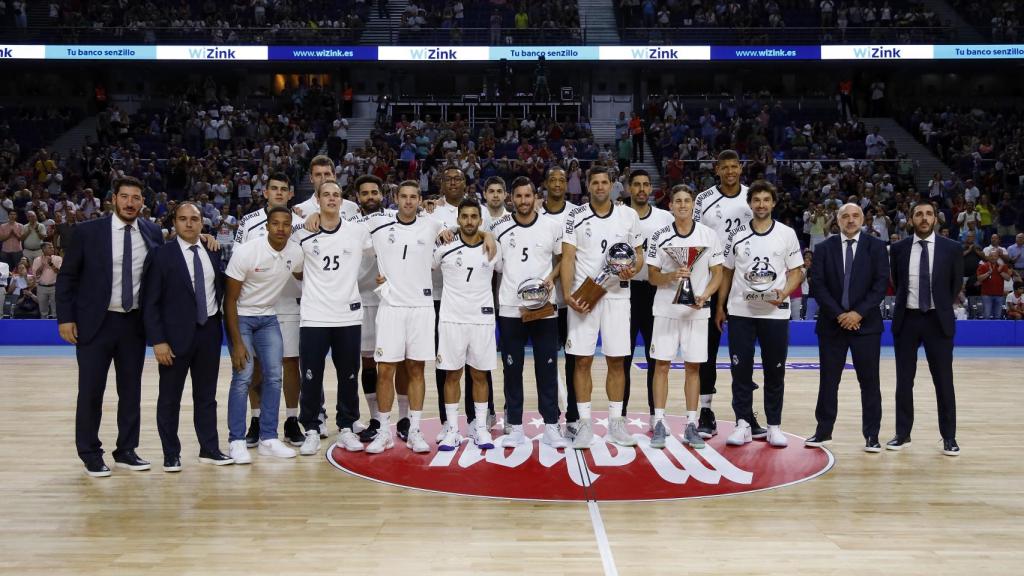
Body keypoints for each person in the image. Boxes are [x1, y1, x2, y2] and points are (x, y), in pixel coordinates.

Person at [56, 176, 165, 477]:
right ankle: (90, 452)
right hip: (96, 323)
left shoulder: (153, 232)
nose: (131, 203)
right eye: (125, 197)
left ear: (143, 202)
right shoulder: (87, 232)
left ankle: (126, 449)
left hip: (133, 323)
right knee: (91, 391)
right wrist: (65, 318)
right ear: (114, 199)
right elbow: (67, 277)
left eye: (136, 198)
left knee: (131, 391)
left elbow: (163, 270)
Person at [142, 202, 234, 472]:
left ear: (202, 223)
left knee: (206, 396)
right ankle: (171, 454)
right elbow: (151, 302)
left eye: (194, 219)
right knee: (170, 398)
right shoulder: (161, 255)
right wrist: (158, 340)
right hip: (173, 339)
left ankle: (209, 448)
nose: (189, 224)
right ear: (175, 222)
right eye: (183, 219)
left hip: (208, 334)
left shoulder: (213, 251)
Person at [562, 166, 645, 450]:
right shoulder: (575, 216)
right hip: (585, 296)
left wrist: (632, 270)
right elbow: (568, 257)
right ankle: (584, 425)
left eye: (604, 182)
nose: (600, 187)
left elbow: (639, 255)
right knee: (582, 360)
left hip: (618, 296)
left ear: (612, 185)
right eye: (594, 182)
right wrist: (567, 294)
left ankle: (615, 423)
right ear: (588, 186)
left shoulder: (628, 215)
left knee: (617, 360)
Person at [716, 180, 803, 448]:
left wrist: (784, 293)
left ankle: (774, 426)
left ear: (773, 203)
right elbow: (727, 272)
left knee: (774, 371)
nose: (761, 204)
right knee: (740, 370)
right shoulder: (737, 235)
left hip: (774, 313)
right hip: (741, 312)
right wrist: (720, 306)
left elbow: (796, 272)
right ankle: (743, 424)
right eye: (757, 200)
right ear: (750, 203)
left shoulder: (786, 233)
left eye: (766, 200)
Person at [363, 181, 448, 454]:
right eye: (404, 197)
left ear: (420, 200)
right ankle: (384, 432)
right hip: (391, 309)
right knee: (385, 370)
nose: (409, 201)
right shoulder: (378, 226)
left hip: (421, 308)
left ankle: (414, 430)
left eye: (413, 197)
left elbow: (462, 228)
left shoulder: (432, 224)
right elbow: (346, 228)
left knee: (416, 370)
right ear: (395, 199)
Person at [291, 181, 368, 456]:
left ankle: (346, 426)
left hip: (347, 315)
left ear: (342, 200)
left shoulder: (357, 231)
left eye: (336, 195)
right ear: (318, 200)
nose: (332, 199)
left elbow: (389, 224)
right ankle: (311, 427)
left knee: (349, 375)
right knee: (311, 375)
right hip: (314, 315)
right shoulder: (303, 233)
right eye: (327, 195)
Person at [805, 203, 890, 452]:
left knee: (870, 383)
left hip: (866, 326)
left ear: (863, 219)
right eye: (845, 216)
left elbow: (880, 284)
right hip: (832, 325)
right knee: (829, 382)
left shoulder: (876, 247)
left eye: (855, 216)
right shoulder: (822, 248)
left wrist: (857, 313)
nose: (850, 220)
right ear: (837, 220)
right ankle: (823, 432)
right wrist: (841, 314)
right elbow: (818, 286)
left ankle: (872, 435)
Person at [645, 184, 724, 449]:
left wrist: (705, 296)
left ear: (693, 205)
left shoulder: (708, 235)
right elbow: (652, 276)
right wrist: (671, 276)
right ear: (670, 206)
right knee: (662, 366)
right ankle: (659, 422)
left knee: (693, 368)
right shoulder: (660, 236)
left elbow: (718, 274)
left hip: (696, 312)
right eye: (677, 200)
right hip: (666, 309)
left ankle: (691, 424)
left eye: (686, 200)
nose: (682, 205)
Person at [224, 206, 304, 463]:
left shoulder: (295, 252)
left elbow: (307, 275)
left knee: (273, 376)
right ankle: (236, 440)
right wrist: (235, 342)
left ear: (291, 227)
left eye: (286, 224)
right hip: (243, 316)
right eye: (275, 223)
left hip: (268, 317)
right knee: (243, 375)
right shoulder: (247, 252)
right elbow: (230, 301)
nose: (281, 228)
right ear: (267, 226)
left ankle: (269, 438)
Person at [491, 177, 567, 448]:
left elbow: (562, 259)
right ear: (512, 199)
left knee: (547, 368)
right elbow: (495, 263)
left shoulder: (551, 226)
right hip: (511, 308)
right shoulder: (499, 227)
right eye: (519, 196)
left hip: (545, 308)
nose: (524, 201)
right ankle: (515, 426)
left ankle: (551, 425)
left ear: (536, 197)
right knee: (513, 370)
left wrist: (551, 278)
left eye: (528, 196)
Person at [693, 149, 758, 440]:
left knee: (743, 354)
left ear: (740, 168)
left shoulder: (753, 197)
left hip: (745, 283)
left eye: (735, 166)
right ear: (717, 169)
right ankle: (706, 410)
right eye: (725, 167)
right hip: (711, 280)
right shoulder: (703, 200)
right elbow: (693, 237)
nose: (730, 171)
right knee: (707, 351)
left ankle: (745, 414)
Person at [888, 200, 962, 456]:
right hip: (907, 319)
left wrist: (939, 306)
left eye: (928, 214)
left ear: (935, 219)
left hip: (937, 320)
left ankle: (949, 437)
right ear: (910, 219)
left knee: (944, 381)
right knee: (903, 381)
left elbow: (955, 285)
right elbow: (897, 282)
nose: (924, 218)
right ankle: (902, 434)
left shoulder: (952, 248)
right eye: (918, 214)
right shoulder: (898, 248)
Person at [433, 198, 501, 451]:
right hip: (451, 319)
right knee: (452, 374)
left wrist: (489, 235)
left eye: (474, 217)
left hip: (482, 319)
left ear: (480, 221)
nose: (470, 221)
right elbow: (424, 264)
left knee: (479, 375)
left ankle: (480, 428)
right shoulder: (444, 248)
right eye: (465, 217)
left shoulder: (493, 248)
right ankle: (452, 430)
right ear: (458, 219)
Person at [622, 169, 673, 424]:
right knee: (623, 358)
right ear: (629, 188)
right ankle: (619, 416)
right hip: (625, 292)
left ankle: (657, 415)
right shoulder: (620, 216)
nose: (641, 189)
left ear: (651, 189)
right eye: (637, 185)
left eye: (645, 185)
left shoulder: (665, 218)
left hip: (656, 292)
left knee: (656, 357)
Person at [539, 166, 579, 430]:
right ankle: (550, 417)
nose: (556, 184)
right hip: (542, 300)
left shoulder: (577, 215)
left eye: (561, 180)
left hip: (571, 299)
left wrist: (554, 275)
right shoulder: (535, 212)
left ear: (567, 184)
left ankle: (574, 416)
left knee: (574, 358)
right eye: (552, 179)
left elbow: (569, 254)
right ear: (545, 183)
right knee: (545, 360)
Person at [976, 252, 1011, 319]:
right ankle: (986, 329)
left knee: (998, 316)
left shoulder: (1003, 266)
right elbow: (979, 278)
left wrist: (1000, 271)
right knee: (987, 315)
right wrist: (988, 273)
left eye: (995, 256)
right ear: (988, 257)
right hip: (986, 295)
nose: (993, 257)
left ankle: (996, 329)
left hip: (999, 295)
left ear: (998, 257)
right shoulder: (983, 266)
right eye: (991, 256)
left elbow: (1008, 278)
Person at [31, 242, 60, 319]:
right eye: (50, 247)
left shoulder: (58, 258)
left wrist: (51, 264)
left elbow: (59, 272)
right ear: (43, 249)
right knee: (43, 312)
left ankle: (55, 329)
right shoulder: (37, 260)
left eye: (52, 247)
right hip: (41, 287)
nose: (52, 249)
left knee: (56, 312)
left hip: (54, 287)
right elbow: (36, 275)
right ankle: (44, 329)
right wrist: (43, 264)